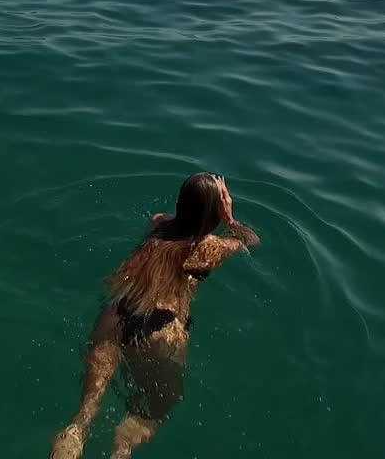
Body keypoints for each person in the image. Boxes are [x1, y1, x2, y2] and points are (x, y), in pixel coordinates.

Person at [51, 174, 260, 459]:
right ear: (214, 214)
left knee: (85, 413)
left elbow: (174, 219)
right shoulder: (212, 248)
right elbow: (250, 241)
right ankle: (121, 450)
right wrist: (231, 219)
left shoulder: (158, 225)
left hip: (117, 314)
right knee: (158, 408)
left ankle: (76, 435)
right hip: (160, 329)